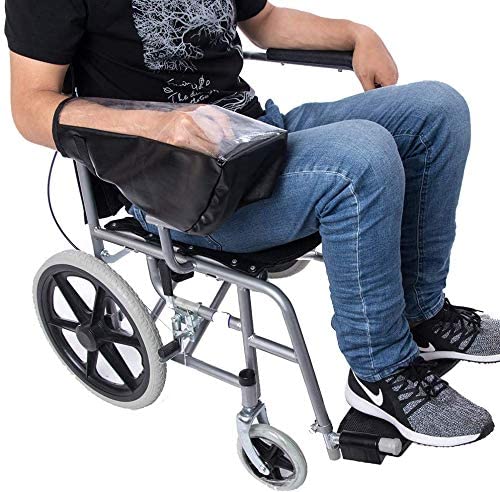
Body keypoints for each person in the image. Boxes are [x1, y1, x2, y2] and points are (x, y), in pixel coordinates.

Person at [6, 0, 500, 447]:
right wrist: (160, 124)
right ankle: (380, 371)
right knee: (363, 159)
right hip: (179, 188)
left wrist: (357, 33)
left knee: (438, 111)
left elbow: (263, 21)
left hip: (257, 133)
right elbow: (30, 108)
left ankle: (422, 317)